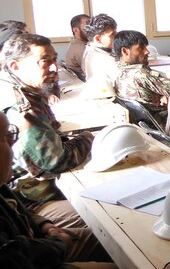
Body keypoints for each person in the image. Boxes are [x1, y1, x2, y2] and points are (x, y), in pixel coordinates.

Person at [0, 112, 117, 268]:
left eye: (11, 134)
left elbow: (16, 206)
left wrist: (43, 225)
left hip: (35, 239)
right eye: (4, 138)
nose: (12, 143)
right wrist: (58, 243)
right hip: (36, 256)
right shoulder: (27, 112)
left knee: (113, 238)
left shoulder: (2, 187)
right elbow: (20, 257)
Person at [0, 34, 93, 228]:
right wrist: (89, 138)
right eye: (44, 62)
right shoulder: (23, 108)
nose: (54, 68)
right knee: (100, 212)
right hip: (30, 200)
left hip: (24, 193)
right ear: (15, 66)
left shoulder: (20, 88)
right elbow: (57, 161)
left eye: (54, 60)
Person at [113, 30, 170, 128]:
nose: (147, 51)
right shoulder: (140, 74)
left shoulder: (116, 70)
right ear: (125, 51)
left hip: (144, 126)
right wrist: (164, 93)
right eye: (141, 48)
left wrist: (161, 94)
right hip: (163, 122)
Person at [81, 13, 119, 85]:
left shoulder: (89, 49)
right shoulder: (105, 59)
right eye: (112, 34)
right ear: (98, 39)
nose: (117, 36)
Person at [65, 14, 90, 81]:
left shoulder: (79, 44)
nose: (91, 28)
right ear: (75, 30)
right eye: (87, 25)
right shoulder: (81, 49)